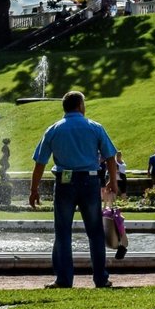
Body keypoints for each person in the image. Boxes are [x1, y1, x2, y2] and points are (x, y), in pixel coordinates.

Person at [30, 90, 117, 289]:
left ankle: (63, 279)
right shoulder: (95, 127)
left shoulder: (53, 129)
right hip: (90, 181)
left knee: (62, 232)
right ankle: (100, 279)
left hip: (64, 182)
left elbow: (40, 162)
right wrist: (113, 181)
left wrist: (34, 189)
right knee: (94, 232)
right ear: (79, 106)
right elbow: (110, 156)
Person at [102, 180, 129, 261]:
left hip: (110, 236)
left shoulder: (104, 212)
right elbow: (121, 228)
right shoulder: (114, 214)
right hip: (117, 236)